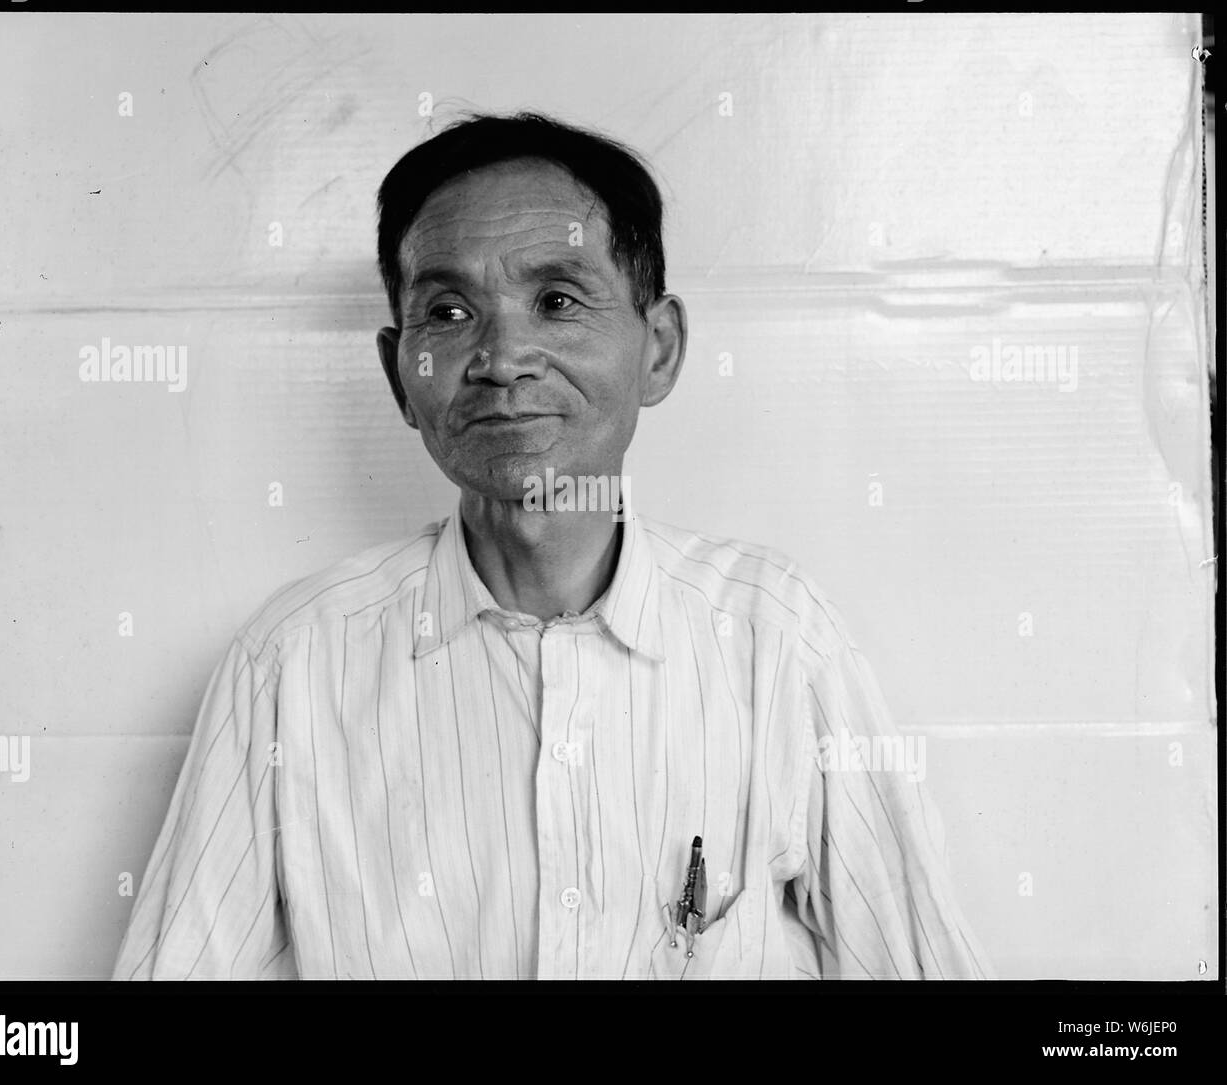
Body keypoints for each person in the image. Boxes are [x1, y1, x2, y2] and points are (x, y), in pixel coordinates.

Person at [114, 112, 991, 980]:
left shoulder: (776, 642)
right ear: (400, 375)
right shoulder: (293, 666)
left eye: (558, 301)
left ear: (660, 348)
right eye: (449, 311)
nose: (503, 357)